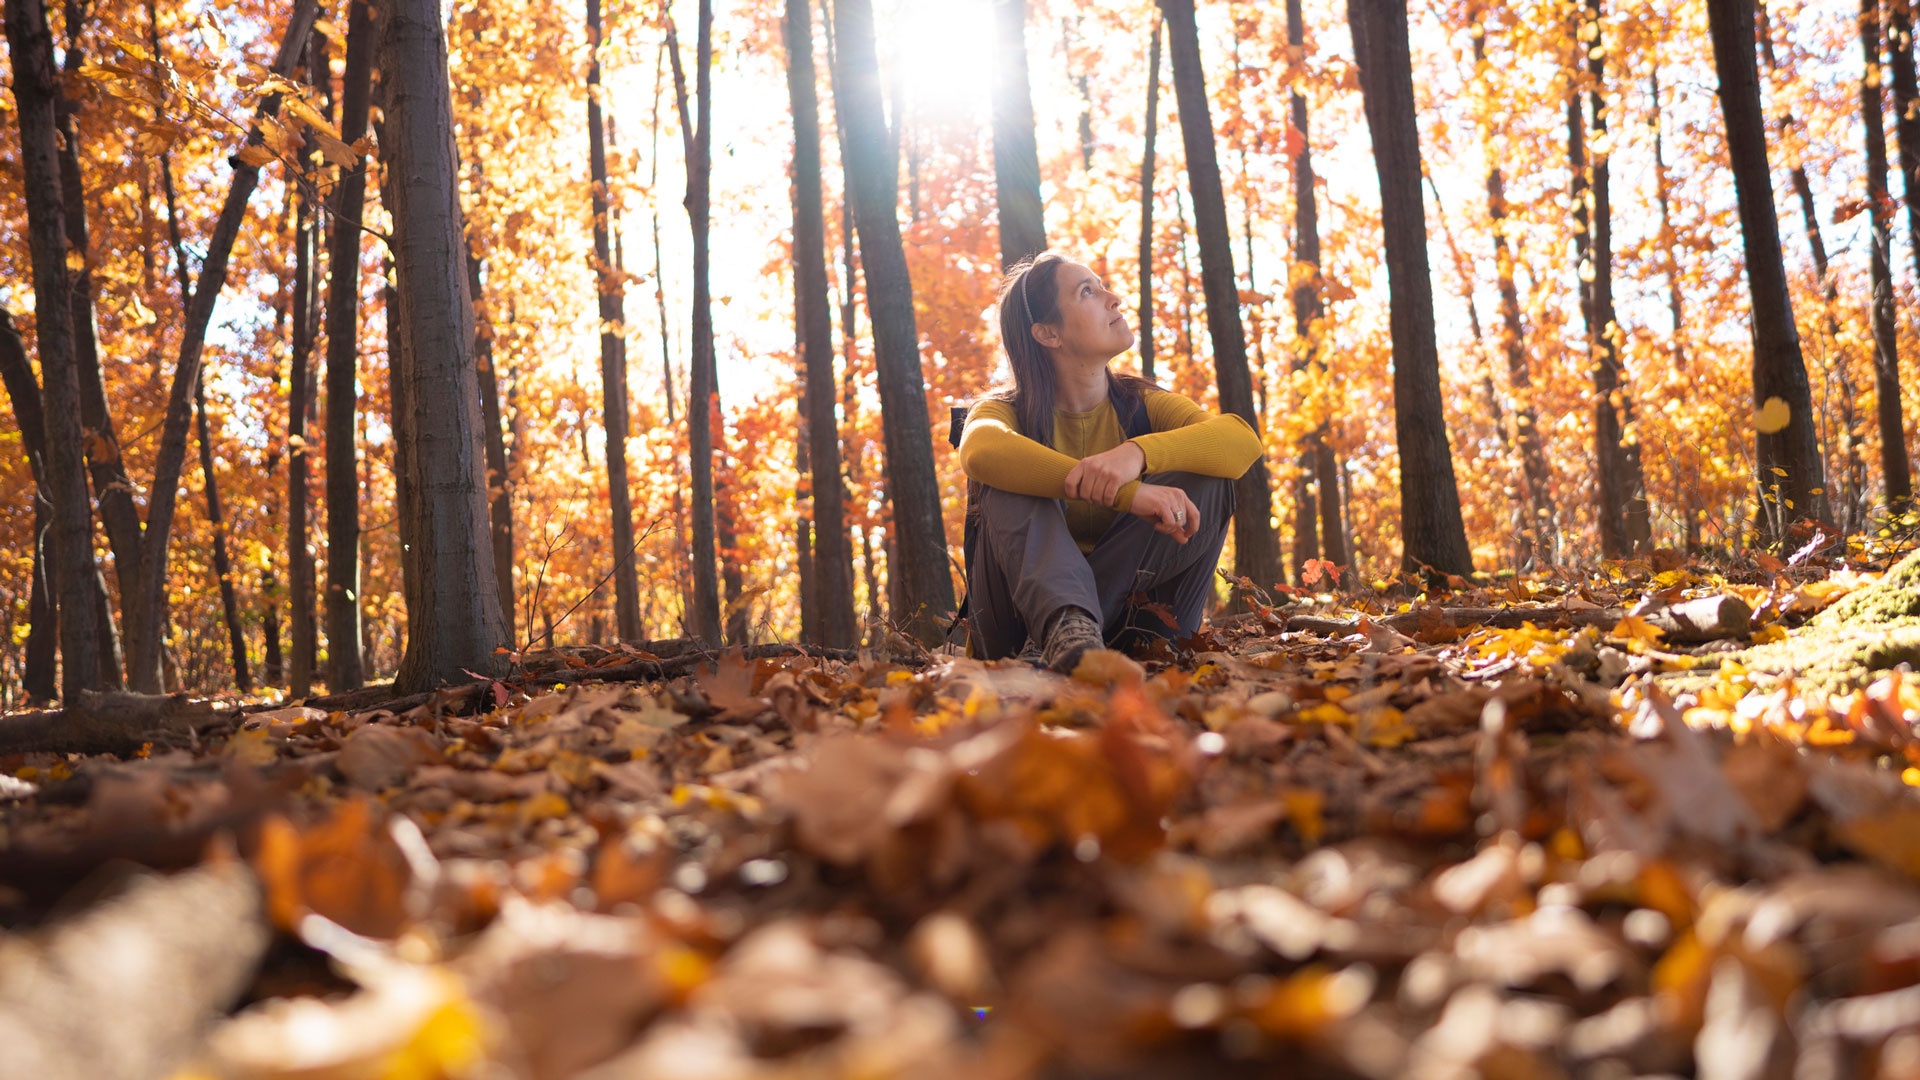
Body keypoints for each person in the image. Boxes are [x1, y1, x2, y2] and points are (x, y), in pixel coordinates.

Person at [957, 251, 1263, 672]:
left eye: (1103, 286)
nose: (1113, 298)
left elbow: (1241, 441)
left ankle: (1080, 635)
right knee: (1007, 475)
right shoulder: (1004, 412)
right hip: (1016, 632)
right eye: (1088, 292)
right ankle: (1064, 628)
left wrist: (1135, 454)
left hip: (1137, 632)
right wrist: (1126, 494)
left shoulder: (1142, 405)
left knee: (1209, 475)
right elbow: (980, 450)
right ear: (1048, 334)